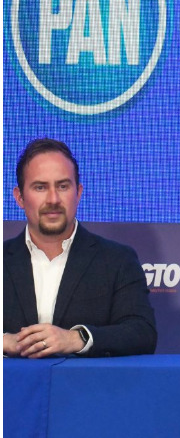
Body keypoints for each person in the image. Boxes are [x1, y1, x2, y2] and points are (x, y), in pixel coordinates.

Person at [4, 138, 157, 358]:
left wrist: (77, 339)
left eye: (63, 186)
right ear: (19, 197)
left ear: (78, 193)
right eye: (40, 187)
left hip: (86, 382)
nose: (53, 199)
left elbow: (142, 333)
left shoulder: (117, 260)